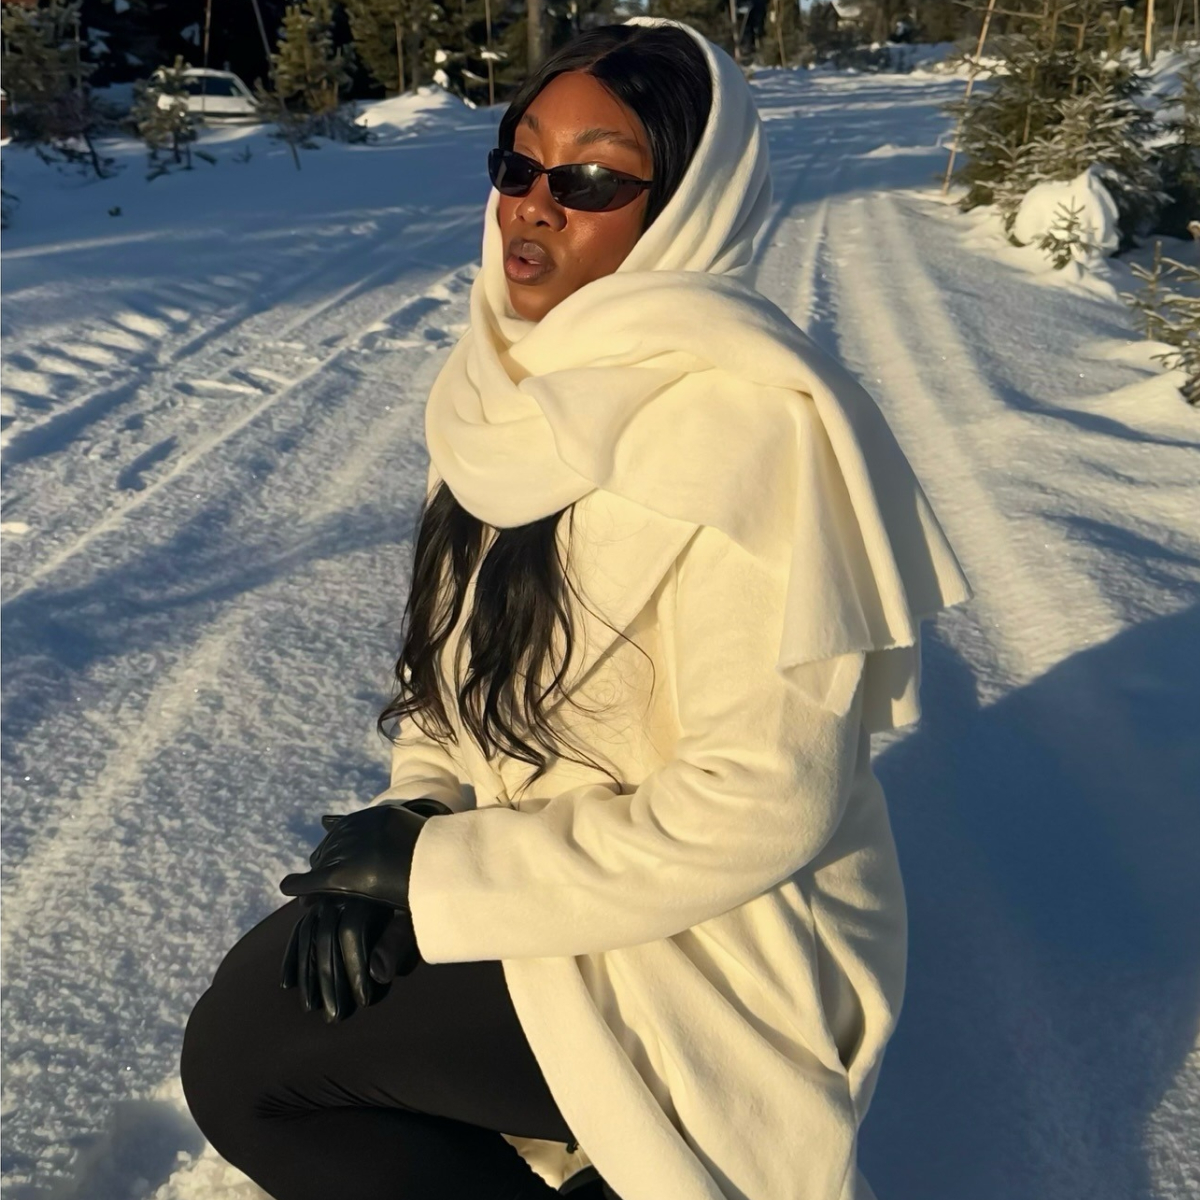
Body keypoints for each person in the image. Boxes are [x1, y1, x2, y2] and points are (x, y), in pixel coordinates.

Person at [179, 16, 973, 1200]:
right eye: (517, 161)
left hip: (713, 942)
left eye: (592, 176)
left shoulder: (748, 436)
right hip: (552, 883)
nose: (532, 205)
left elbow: (761, 807)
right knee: (272, 1003)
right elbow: (446, 698)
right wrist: (416, 826)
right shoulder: (495, 394)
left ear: (686, 207)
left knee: (253, 1053)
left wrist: (439, 883)